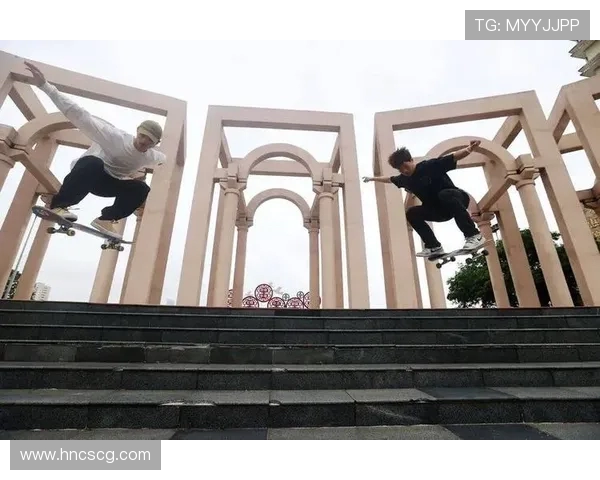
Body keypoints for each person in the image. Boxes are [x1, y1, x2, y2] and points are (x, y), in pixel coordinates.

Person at [24, 60, 166, 239]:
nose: (144, 142)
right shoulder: (115, 137)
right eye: (142, 136)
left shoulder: (154, 156)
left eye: (149, 140)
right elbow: (79, 115)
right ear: (137, 131)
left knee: (141, 188)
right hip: (88, 174)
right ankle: (59, 205)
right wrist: (45, 86)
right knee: (94, 163)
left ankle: (106, 219)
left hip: (109, 185)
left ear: (156, 143)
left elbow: (165, 161)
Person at [363, 141, 485, 257]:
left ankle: (474, 235)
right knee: (411, 213)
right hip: (439, 212)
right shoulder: (404, 179)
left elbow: (453, 157)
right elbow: (390, 179)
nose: (404, 171)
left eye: (405, 166)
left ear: (411, 160)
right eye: (400, 170)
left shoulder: (429, 166)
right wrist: (372, 179)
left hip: (457, 199)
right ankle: (434, 246)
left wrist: (469, 149)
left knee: (444, 194)